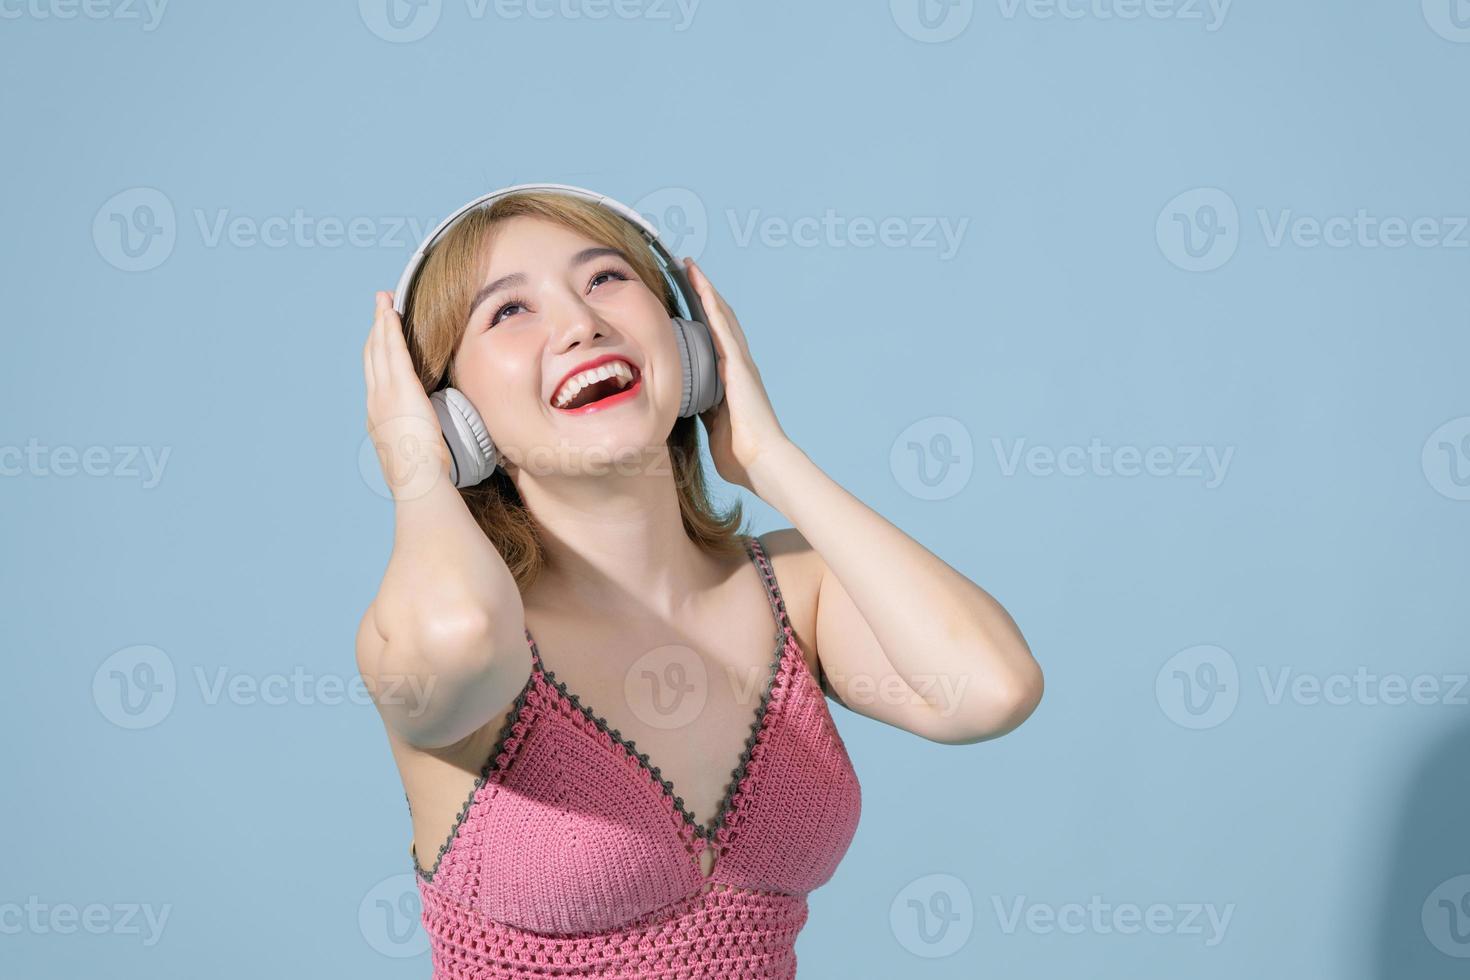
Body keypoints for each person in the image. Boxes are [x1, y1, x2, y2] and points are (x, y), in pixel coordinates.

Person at [357, 188, 1044, 977]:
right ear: (451, 413)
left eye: (606, 278)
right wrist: (418, 472)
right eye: (509, 312)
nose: (582, 324)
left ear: (691, 351)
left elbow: (993, 689)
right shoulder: (439, 636)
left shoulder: (799, 591)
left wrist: (768, 459)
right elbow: (464, 636)